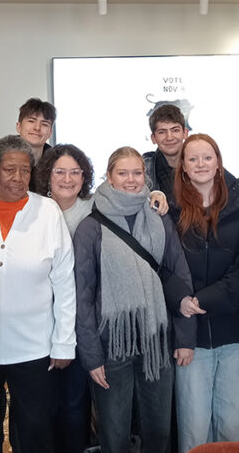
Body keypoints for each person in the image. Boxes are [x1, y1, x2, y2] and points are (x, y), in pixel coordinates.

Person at [73, 146, 193, 453]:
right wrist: (91, 356)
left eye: (137, 173)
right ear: (109, 177)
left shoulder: (159, 216)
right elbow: (82, 296)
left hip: (157, 339)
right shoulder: (91, 227)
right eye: (122, 173)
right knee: (114, 435)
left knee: (159, 432)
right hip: (111, 346)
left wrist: (184, 338)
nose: (131, 180)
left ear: (146, 175)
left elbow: (178, 276)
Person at [0, 135, 76, 453]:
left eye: (25, 171)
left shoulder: (48, 211)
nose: (17, 178)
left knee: (34, 431)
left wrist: (64, 341)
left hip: (35, 346)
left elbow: (64, 282)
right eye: (9, 170)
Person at [172, 134, 239, 451]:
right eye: (193, 159)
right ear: (183, 167)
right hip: (189, 337)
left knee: (234, 425)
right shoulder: (168, 210)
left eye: (207, 157)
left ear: (218, 162)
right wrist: (182, 300)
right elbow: (166, 266)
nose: (201, 164)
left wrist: (199, 301)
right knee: (194, 429)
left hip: (236, 332)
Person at [32, 143, 97, 453]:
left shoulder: (96, 210)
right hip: (38, 324)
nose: (68, 179)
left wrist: (157, 195)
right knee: (40, 407)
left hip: (80, 323)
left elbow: (134, 191)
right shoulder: (31, 210)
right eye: (60, 171)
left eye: (75, 172)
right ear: (47, 174)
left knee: (74, 405)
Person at [144, 103, 189, 199]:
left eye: (175, 130)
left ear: (185, 133)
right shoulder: (142, 169)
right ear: (153, 138)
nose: (169, 137)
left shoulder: (203, 164)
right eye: (162, 132)